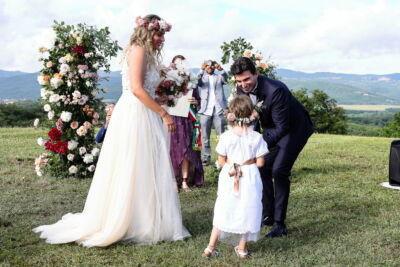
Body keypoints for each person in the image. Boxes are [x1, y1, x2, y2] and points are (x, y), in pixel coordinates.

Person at [33, 14, 190, 247]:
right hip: (135, 114)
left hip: (145, 111)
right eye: (159, 34)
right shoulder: (138, 50)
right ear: (147, 32)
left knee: (146, 165)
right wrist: (164, 113)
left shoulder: (147, 54)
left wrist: (165, 98)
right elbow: (136, 89)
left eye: (163, 35)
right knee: (132, 164)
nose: (162, 39)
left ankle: (146, 218)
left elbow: (146, 89)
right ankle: (126, 219)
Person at [231, 57, 314, 238]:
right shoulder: (240, 89)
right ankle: (267, 214)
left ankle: (279, 224)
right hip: (271, 129)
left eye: (247, 79)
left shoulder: (276, 90)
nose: (243, 85)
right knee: (263, 167)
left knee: (279, 171)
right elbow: (249, 119)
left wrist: (256, 145)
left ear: (256, 74)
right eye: (239, 81)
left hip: (294, 129)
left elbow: (282, 127)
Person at [202, 95, 268, 259]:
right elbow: (260, 163)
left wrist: (233, 164)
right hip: (250, 176)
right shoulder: (257, 138)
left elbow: (221, 160)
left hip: (230, 175)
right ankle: (242, 249)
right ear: (252, 114)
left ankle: (210, 247)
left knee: (224, 207)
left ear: (231, 114)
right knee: (248, 208)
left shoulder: (225, 137)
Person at [169, 55, 204, 192]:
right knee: (173, 150)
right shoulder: (168, 83)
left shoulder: (192, 83)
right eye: (176, 64)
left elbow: (198, 100)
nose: (180, 67)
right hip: (173, 120)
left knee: (187, 151)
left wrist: (196, 102)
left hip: (188, 120)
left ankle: (184, 181)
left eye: (182, 63)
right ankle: (173, 180)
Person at [197, 60, 228, 166]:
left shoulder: (219, 77)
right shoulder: (202, 78)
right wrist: (201, 69)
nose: (210, 67)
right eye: (207, 66)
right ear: (205, 67)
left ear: (215, 67)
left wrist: (221, 70)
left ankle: (221, 157)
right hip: (205, 110)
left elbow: (226, 79)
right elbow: (196, 82)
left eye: (211, 66)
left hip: (218, 109)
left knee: (221, 135)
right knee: (205, 135)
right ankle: (206, 157)